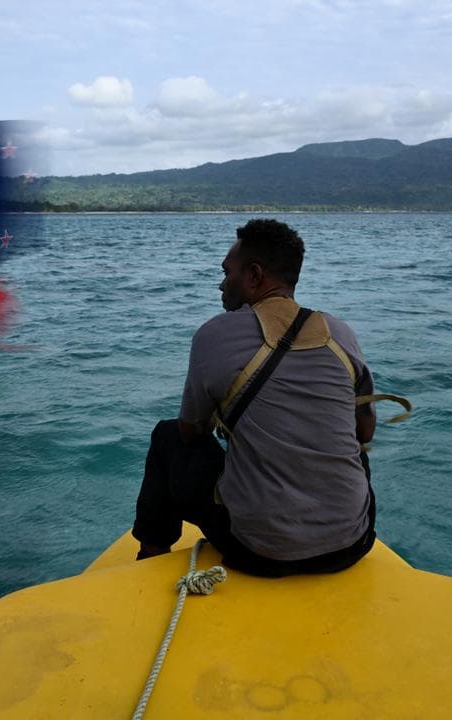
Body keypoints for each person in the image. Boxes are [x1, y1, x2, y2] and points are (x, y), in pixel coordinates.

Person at [132, 218, 377, 577]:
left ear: (254, 275)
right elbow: (365, 433)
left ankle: (151, 557)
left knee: (167, 436)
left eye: (227, 272)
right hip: (351, 544)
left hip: (257, 553)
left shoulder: (214, 334)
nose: (221, 284)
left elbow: (190, 432)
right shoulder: (341, 333)